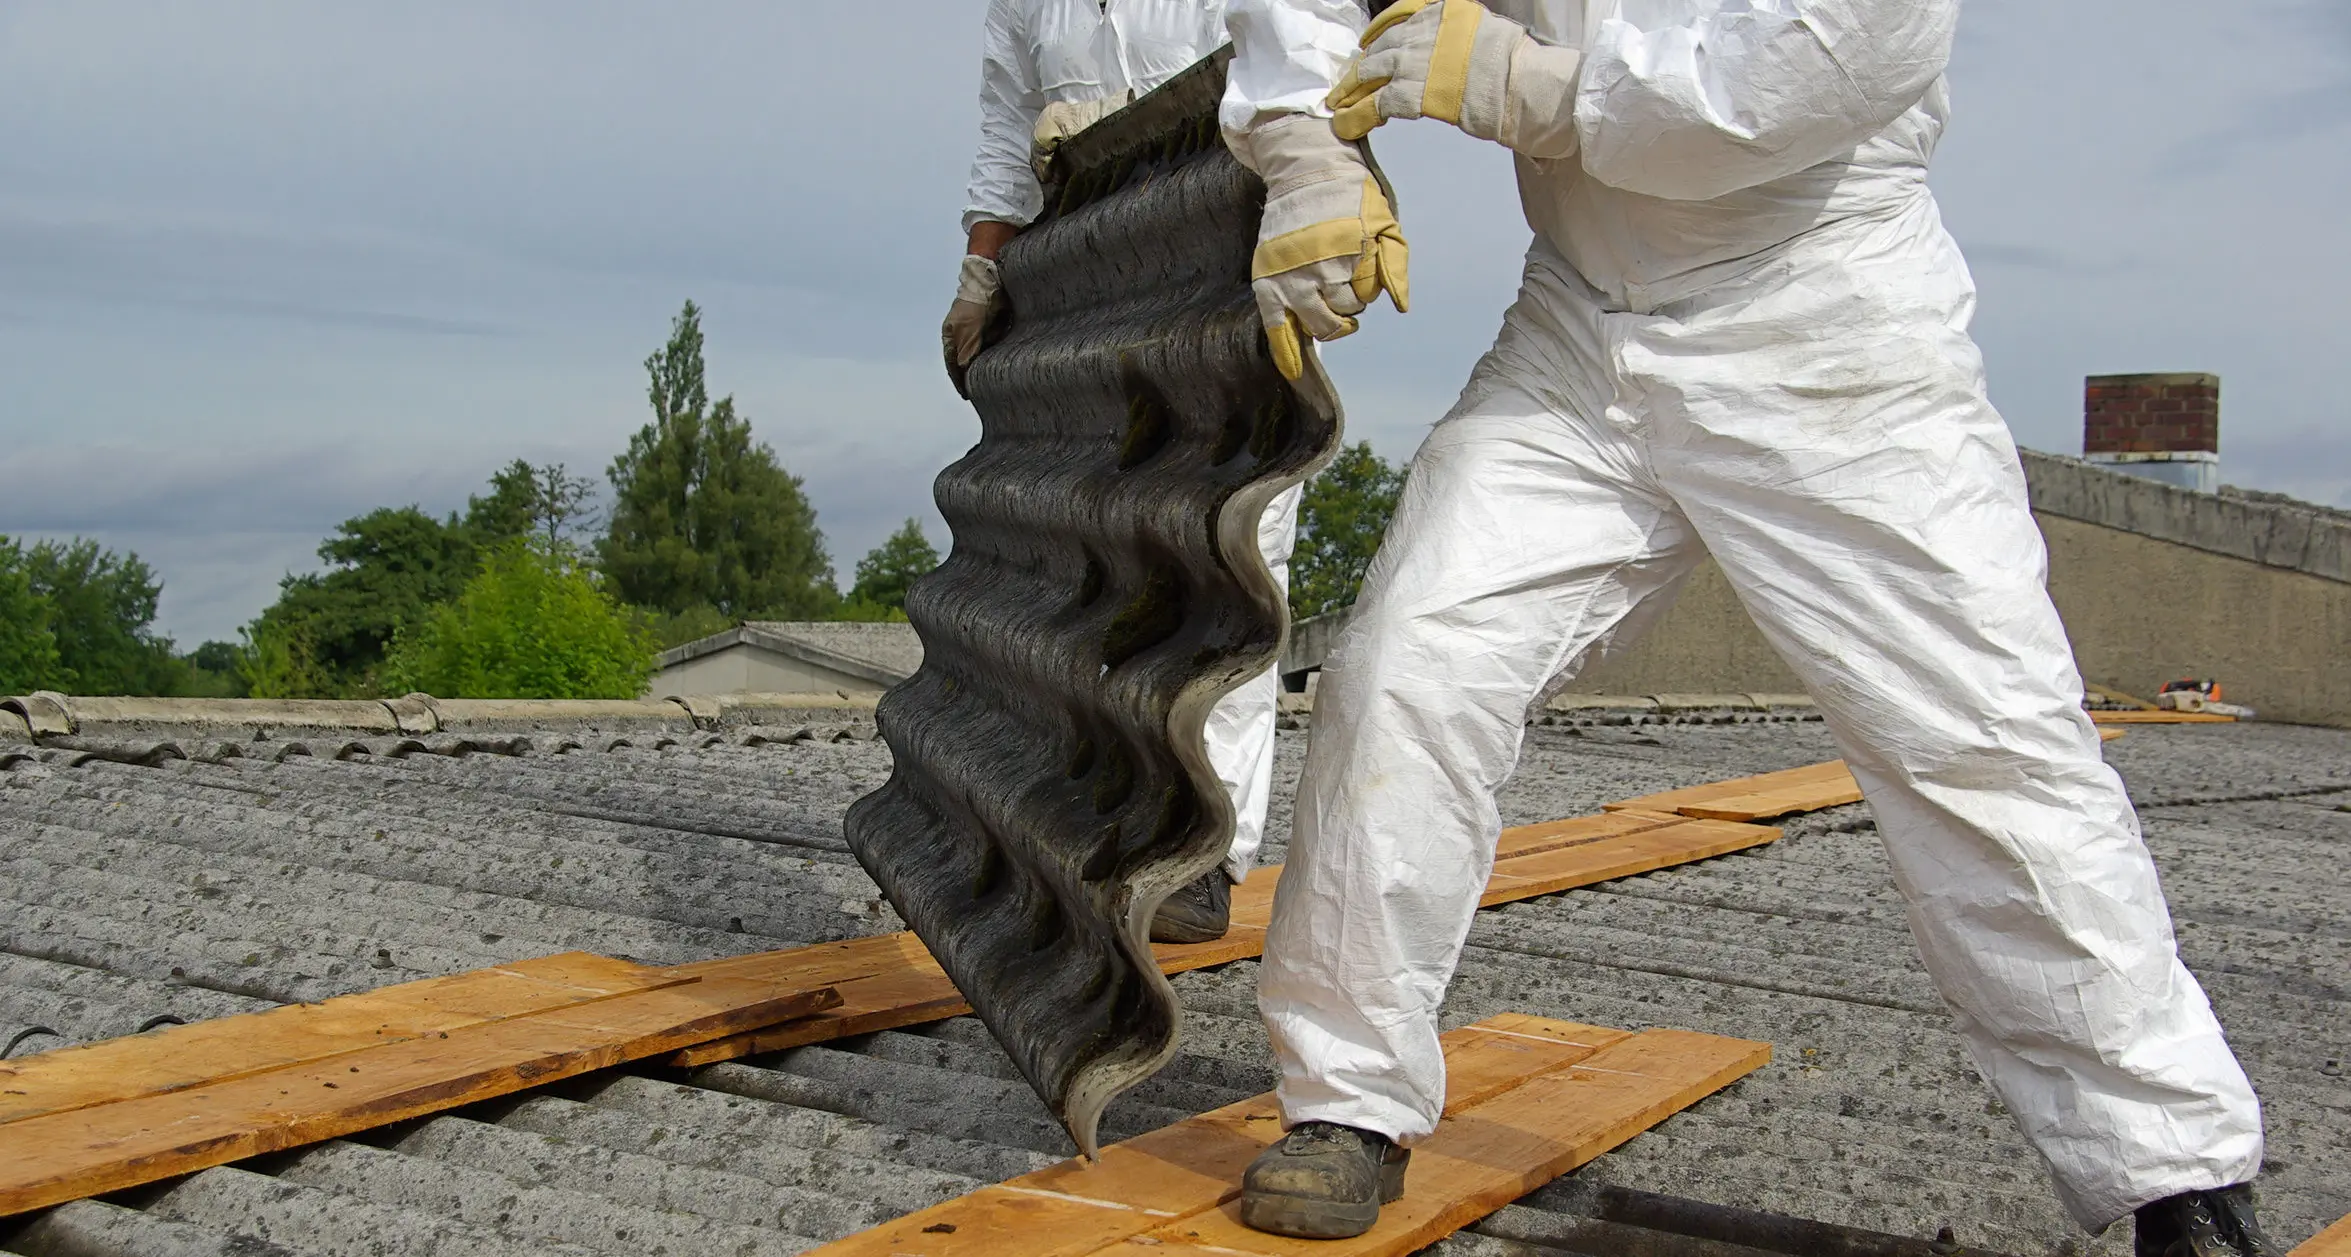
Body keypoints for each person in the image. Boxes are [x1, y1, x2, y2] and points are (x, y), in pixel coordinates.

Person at [1216, 1, 2272, 1252]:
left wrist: (1527, 88)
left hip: (1823, 325)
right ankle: (1347, 1102)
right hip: (1575, 332)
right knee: (1404, 670)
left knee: (1979, 743)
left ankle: (2173, 1171)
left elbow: (1781, 83)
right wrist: (1304, 151)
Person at [946, 0, 1304, 944]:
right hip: (1094, 284)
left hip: (1231, 264)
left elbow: (1301, 72)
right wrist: (981, 272)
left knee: (1231, 547)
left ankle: (1206, 849)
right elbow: (1002, 131)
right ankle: (1102, 815)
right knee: (1097, 551)